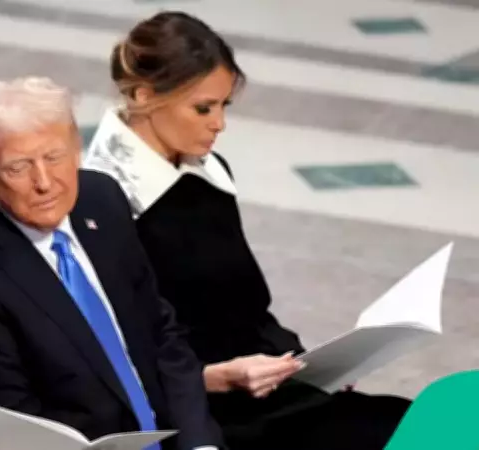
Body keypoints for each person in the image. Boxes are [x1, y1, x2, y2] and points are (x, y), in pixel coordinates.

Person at [82, 11, 412, 450]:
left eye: (224, 106)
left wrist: (311, 364)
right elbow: (110, 360)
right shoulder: (100, 204)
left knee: (427, 421)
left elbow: (244, 306)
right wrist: (215, 378)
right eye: (203, 108)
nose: (219, 123)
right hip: (201, 413)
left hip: (267, 387)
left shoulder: (208, 172)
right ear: (145, 95)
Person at [0, 77, 226, 450]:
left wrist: (199, 444)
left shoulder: (100, 199)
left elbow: (160, 335)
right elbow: (15, 433)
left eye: (54, 157)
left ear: (77, 148)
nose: (45, 182)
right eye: (19, 167)